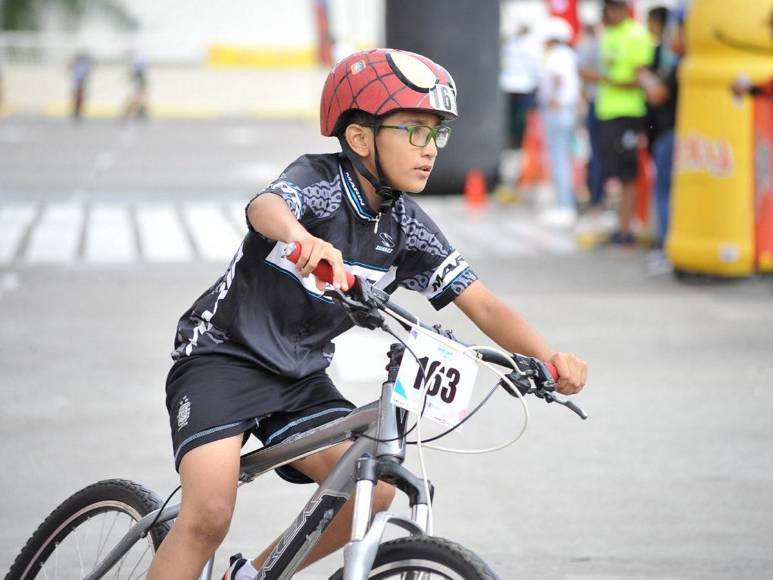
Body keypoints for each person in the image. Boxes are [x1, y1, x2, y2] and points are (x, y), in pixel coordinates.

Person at [145, 48, 588, 580]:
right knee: (209, 516)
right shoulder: (320, 181)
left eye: (437, 134)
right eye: (415, 131)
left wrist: (547, 359)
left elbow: (483, 303)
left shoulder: (408, 227)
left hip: (299, 376)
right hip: (223, 357)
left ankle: (249, 576)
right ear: (360, 138)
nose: (430, 148)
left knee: (372, 491)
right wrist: (304, 238)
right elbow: (265, 207)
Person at [586, 0, 654, 245]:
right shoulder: (607, 34)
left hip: (628, 113)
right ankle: (618, 226)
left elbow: (640, 79)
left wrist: (602, 79)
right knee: (611, 172)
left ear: (623, 9)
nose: (608, 13)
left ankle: (625, 229)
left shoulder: (637, 35)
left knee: (628, 174)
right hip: (606, 112)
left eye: (612, 8)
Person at [638, 8, 686, 273]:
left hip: (671, 134)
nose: (670, 37)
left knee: (665, 192)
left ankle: (666, 247)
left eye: (675, 32)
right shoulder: (675, 63)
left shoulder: (682, 66)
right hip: (667, 134)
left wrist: (643, 75)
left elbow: (658, 94)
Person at [537, 18, 582, 227]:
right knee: (565, 158)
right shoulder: (570, 54)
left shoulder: (556, 55)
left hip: (557, 110)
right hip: (567, 109)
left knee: (558, 159)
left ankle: (565, 206)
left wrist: (553, 98)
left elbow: (557, 78)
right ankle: (567, 203)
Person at [499, 24, 540, 150]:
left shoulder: (511, 44)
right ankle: (518, 145)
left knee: (514, 119)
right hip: (524, 86)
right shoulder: (531, 44)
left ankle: (514, 144)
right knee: (521, 119)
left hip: (512, 85)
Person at [71, 51, 93, 121]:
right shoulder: (77, 65)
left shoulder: (84, 65)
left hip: (82, 82)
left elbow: (87, 73)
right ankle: (76, 112)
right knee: (77, 98)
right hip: (78, 82)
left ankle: (78, 112)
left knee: (80, 99)